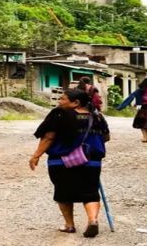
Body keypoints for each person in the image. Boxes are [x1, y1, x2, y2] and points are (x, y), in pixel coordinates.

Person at [29, 89, 110, 238]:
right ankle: (93, 220)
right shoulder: (97, 116)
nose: (59, 102)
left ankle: (69, 225)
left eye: (63, 99)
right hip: (91, 160)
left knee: (63, 192)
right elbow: (106, 137)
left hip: (61, 161)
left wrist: (36, 155)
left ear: (76, 102)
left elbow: (48, 137)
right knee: (90, 191)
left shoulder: (59, 114)